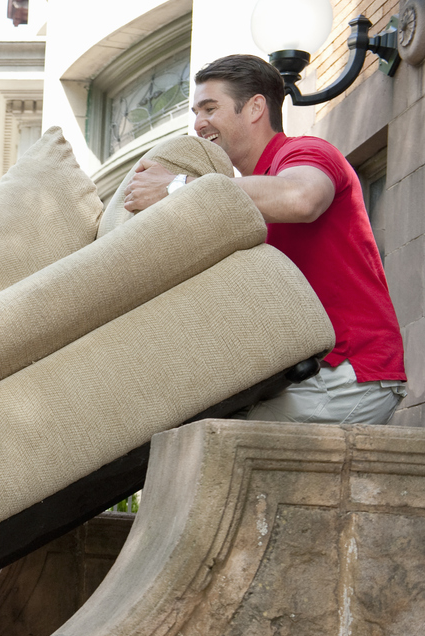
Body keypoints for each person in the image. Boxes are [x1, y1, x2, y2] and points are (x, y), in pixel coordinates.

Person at [123, 54, 406, 425]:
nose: (198, 123)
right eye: (195, 111)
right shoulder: (242, 194)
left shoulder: (307, 151)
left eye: (210, 108)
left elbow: (301, 198)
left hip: (350, 373)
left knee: (207, 443)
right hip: (306, 376)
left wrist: (178, 188)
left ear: (256, 107)